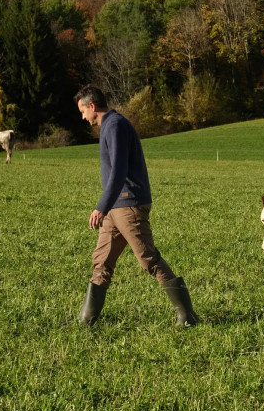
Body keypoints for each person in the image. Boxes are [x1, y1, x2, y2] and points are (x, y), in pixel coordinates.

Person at [74, 86, 198, 326]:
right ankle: (86, 320)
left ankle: (187, 316)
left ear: (92, 106)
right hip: (116, 206)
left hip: (128, 204)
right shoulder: (110, 126)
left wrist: (101, 206)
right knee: (102, 260)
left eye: (82, 111)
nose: (82, 118)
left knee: (148, 259)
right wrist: (107, 207)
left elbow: (119, 172)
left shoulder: (115, 126)